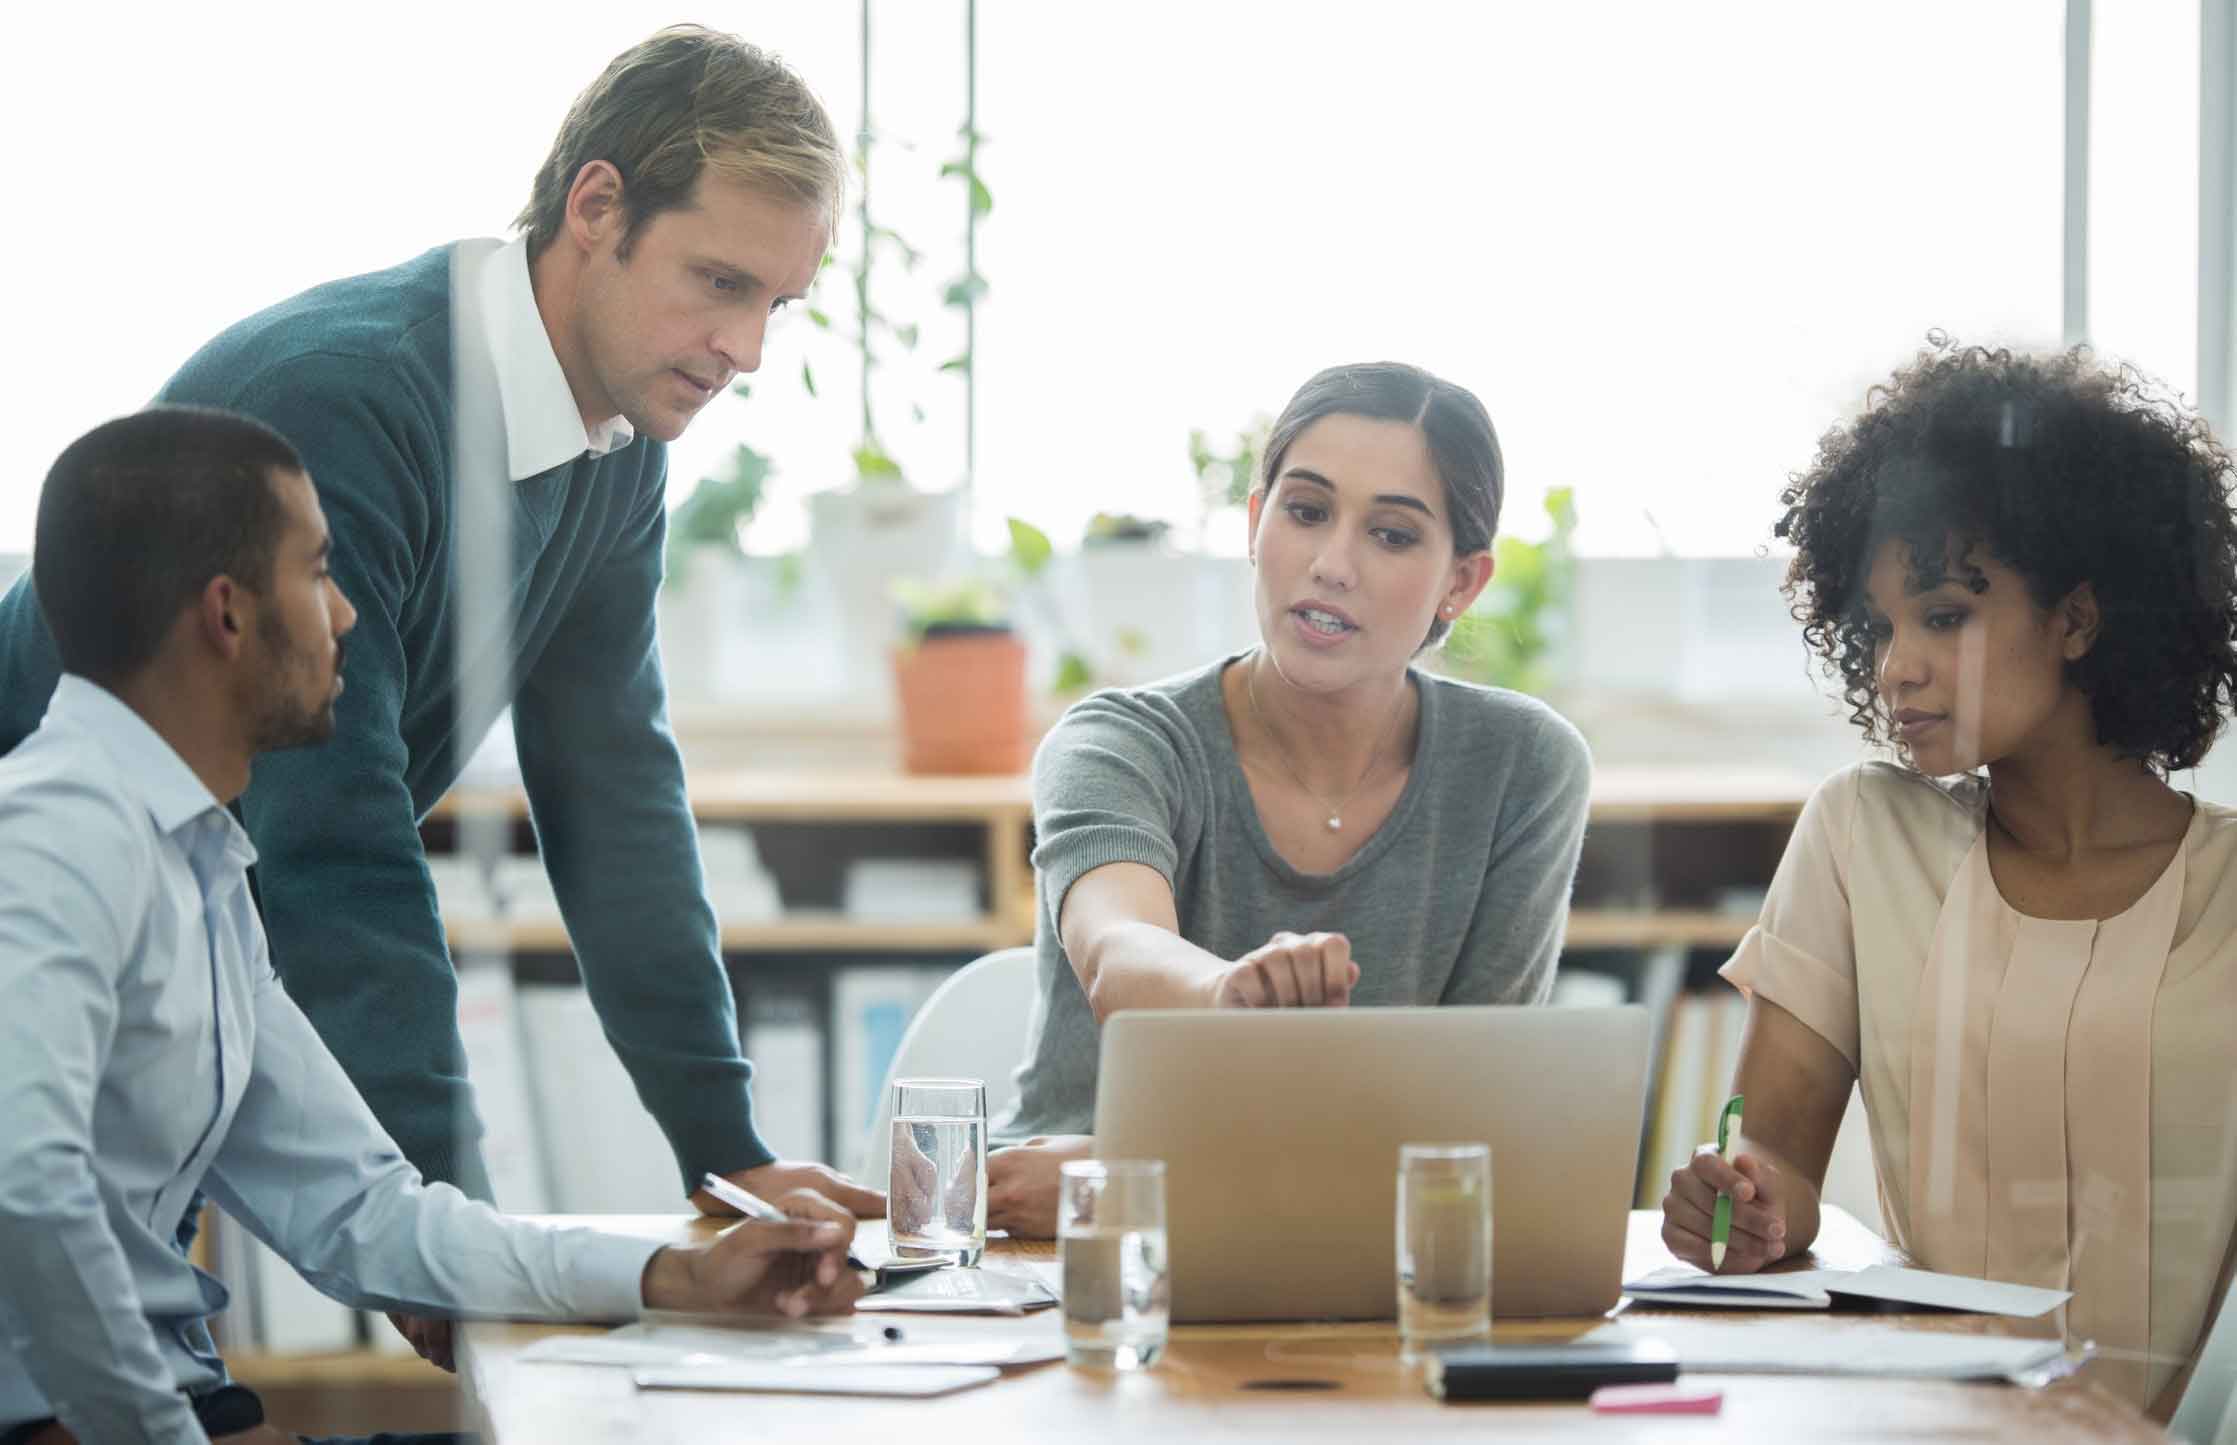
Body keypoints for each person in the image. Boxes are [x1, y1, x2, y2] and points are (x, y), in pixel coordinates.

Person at [0, 25, 881, 1369]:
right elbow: (334, 840)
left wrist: (729, 1156)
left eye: (778, 303)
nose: (746, 347)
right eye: (719, 282)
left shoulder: (615, 442)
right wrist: (444, 1218)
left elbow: (616, 796)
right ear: (596, 208)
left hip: (188, 910)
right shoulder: (346, 401)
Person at [0, 408, 866, 1445]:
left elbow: (366, 1210)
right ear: (227, 615)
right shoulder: (56, 834)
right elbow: (28, 1178)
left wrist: (674, 1274)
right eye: (317, 572)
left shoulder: (200, 861)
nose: (350, 613)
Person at [1657, 339, 2237, 1414]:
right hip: (1911, 1419)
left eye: (1942, 614)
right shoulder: (1858, 834)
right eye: (1878, 626)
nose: (1893, 667)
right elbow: (1774, 1158)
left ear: (2075, 618)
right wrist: (1741, 1203)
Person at [982, 361, 1593, 1236]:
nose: (1330, 565)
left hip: (1343, 1237)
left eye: (1390, 534)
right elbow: (1118, 955)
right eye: (1305, 512)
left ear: (1461, 581)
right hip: (1073, 1234)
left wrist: (1162, 1177)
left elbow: (1469, 1115)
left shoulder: (1523, 767)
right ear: (1255, 521)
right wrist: (1230, 995)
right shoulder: (1118, 742)